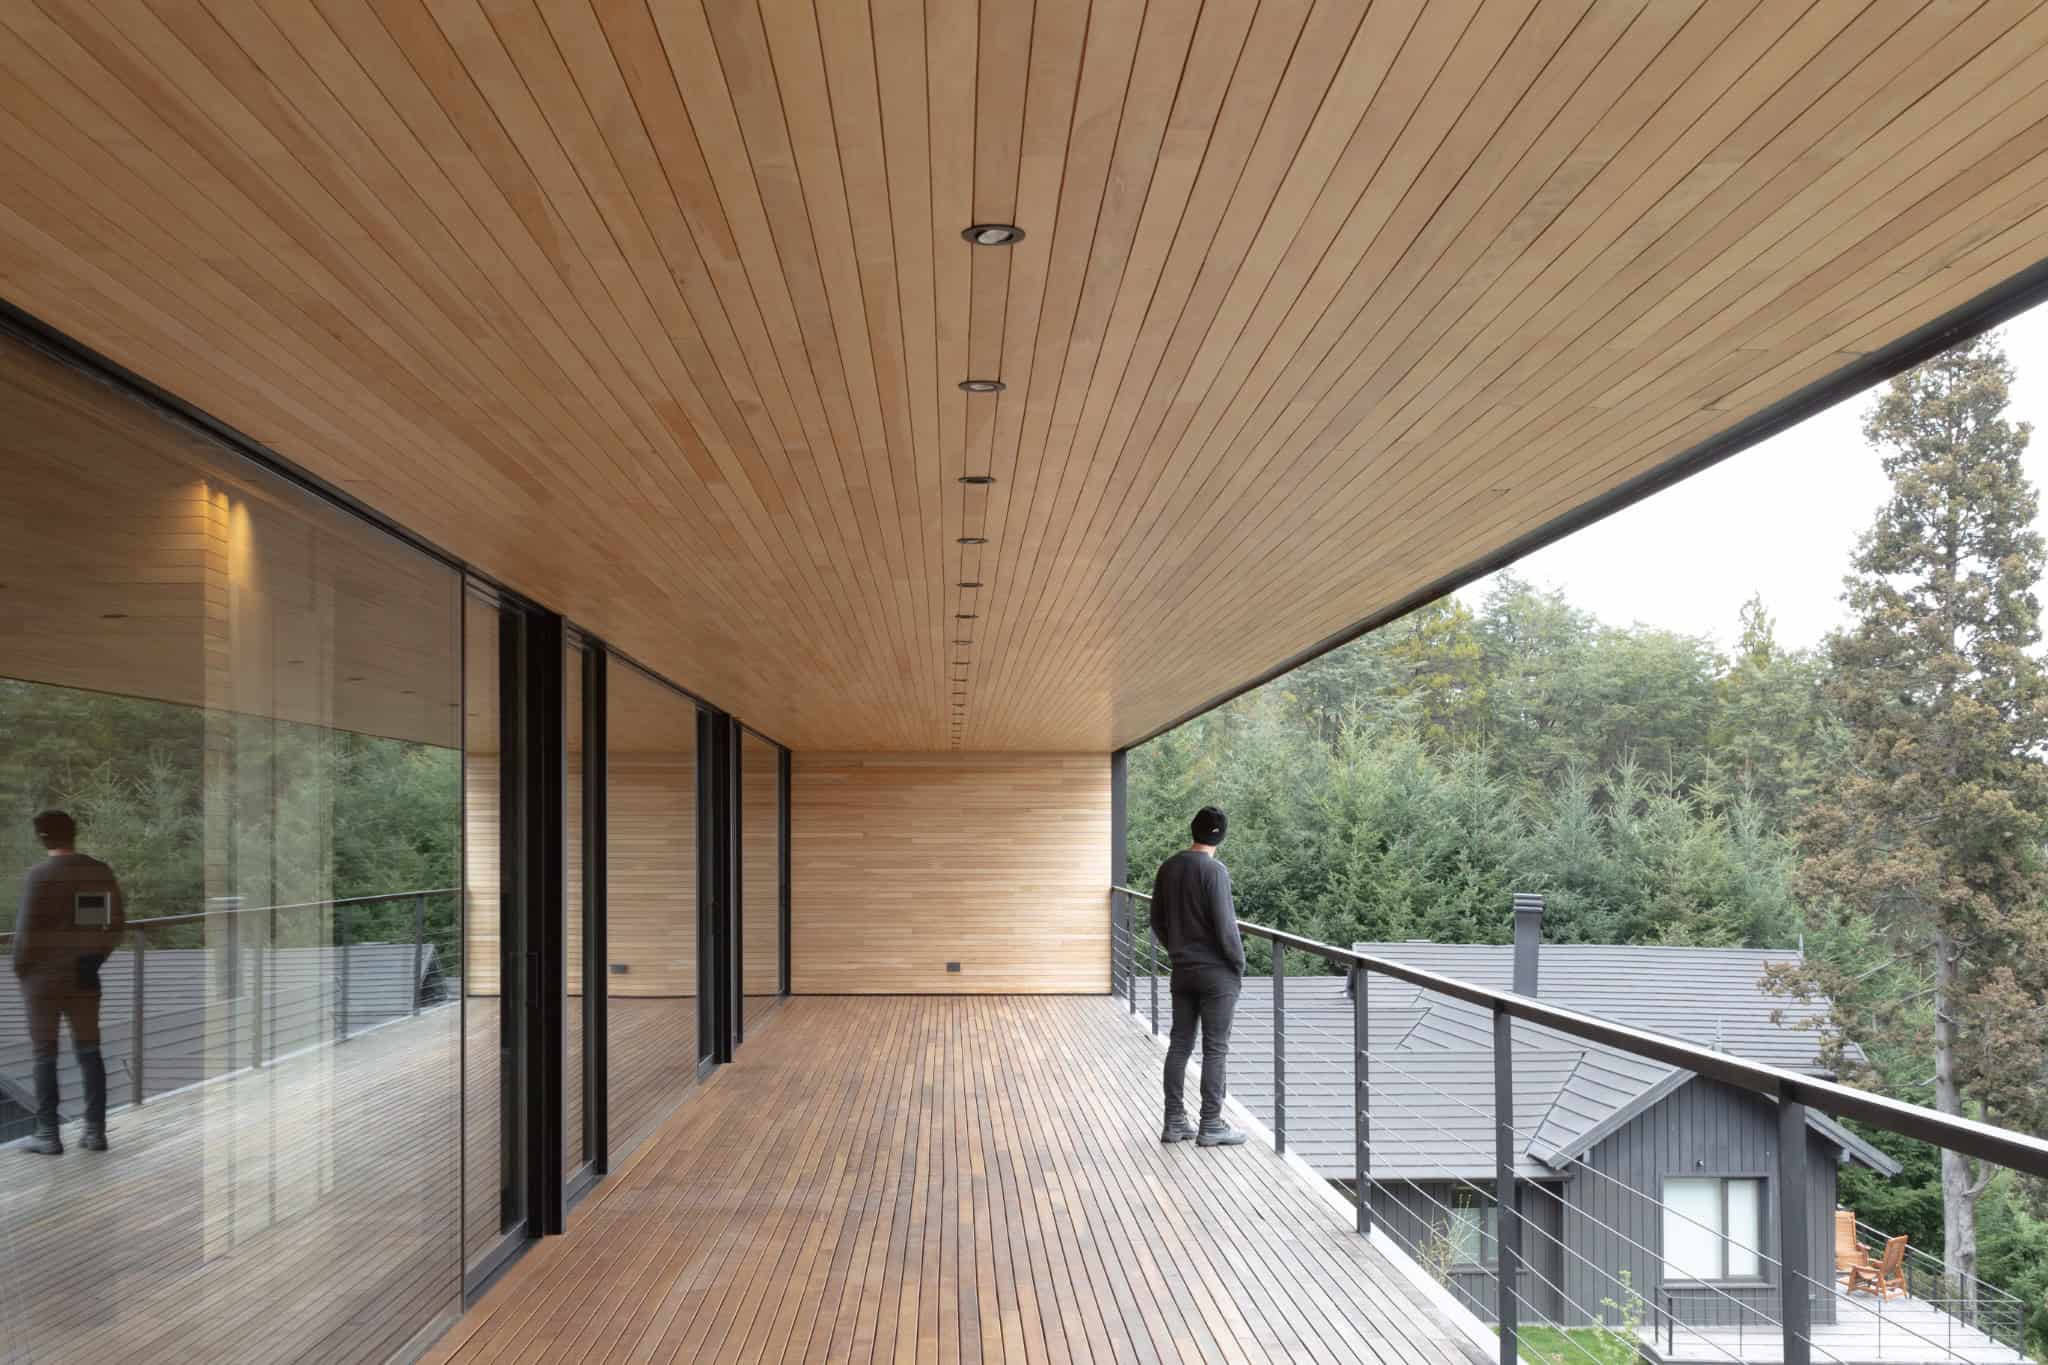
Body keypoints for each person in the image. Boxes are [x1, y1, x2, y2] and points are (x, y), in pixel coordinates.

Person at [12, 810, 125, 1154]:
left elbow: (26, 934)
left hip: (42, 981)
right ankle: (95, 1132)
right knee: (89, 1050)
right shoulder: (94, 871)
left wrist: (22, 970)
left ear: (42, 837)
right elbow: (109, 925)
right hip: (83, 974)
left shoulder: (40, 876)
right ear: (73, 833)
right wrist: (93, 960)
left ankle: (48, 1134)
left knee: (44, 1054)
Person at [1149, 805, 1247, 1147]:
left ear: (1194, 830)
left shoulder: (1169, 867)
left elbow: (1157, 921)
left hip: (1182, 970)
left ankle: (1175, 1121)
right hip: (1216, 974)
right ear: (1221, 836)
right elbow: (1226, 926)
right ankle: (1211, 1124)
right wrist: (1238, 963)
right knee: (1215, 1049)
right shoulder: (1214, 870)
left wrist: (1177, 950)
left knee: (1180, 1045)